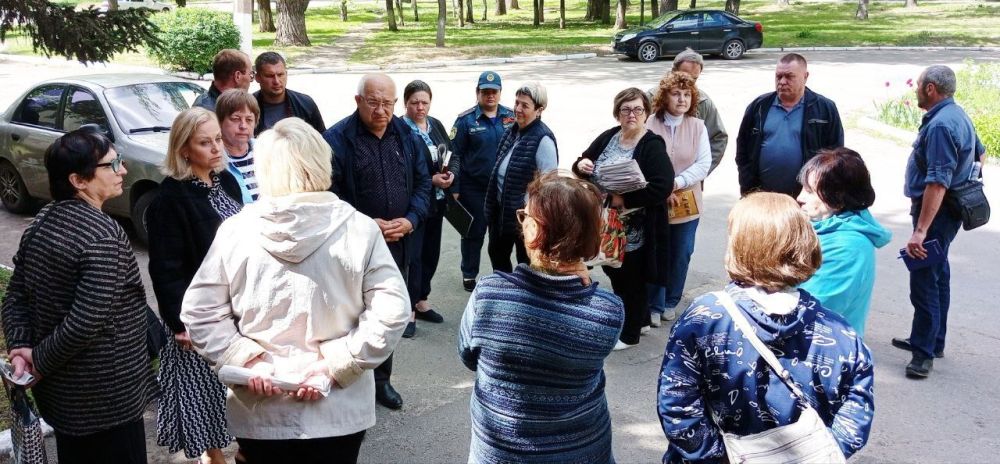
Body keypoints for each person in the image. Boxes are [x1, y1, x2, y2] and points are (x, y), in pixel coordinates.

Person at [181, 118, 410, 464]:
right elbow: (391, 312)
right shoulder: (359, 229)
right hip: (336, 409)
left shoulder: (235, 231)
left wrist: (249, 359)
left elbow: (200, 312)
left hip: (262, 407)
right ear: (321, 161)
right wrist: (336, 364)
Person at [657, 192, 875, 463]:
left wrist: (720, 458)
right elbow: (856, 418)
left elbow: (678, 406)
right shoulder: (841, 333)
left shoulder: (705, 319)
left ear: (739, 245)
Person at [1, 127, 159, 463]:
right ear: (79, 180)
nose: (123, 170)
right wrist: (37, 361)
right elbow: (86, 321)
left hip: (63, 401)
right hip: (106, 402)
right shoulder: (102, 236)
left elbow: (15, 295)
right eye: (112, 165)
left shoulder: (44, 219)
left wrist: (20, 349)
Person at [459, 171, 622, 464]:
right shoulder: (607, 310)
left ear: (533, 232)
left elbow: (469, 356)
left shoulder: (489, 295)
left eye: (525, 217)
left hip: (502, 454)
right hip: (583, 450)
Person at [322, 73, 431, 409]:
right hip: (352, 245)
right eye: (374, 102)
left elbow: (424, 185)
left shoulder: (406, 135)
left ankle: (382, 381)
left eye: (388, 103)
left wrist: (411, 219)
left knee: (385, 314)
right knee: (351, 316)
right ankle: (350, 384)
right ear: (358, 101)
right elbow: (327, 194)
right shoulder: (337, 139)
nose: (381, 110)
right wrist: (364, 224)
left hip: (397, 243)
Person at [147, 107, 244, 464]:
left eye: (218, 139)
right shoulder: (170, 200)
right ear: (184, 149)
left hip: (235, 307)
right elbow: (166, 269)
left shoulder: (225, 182)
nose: (217, 148)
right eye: (205, 143)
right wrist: (179, 323)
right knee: (204, 395)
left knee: (235, 388)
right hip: (198, 314)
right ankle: (213, 458)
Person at [893, 65, 986, 378]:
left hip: (937, 212)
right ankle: (934, 340)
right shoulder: (957, 115)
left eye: (919, 85)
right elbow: (981, 154)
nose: (916, 89)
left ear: (930, 88)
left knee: (924, 278)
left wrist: (920, 231)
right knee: (938, 272)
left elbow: (937, 183)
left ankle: (923, 354)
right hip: (947, 212)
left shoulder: (941, 125)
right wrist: (969, 178)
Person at [572, 88, 673, 351]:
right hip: (606, 224)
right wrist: (580, 165)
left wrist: (625, 200)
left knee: (631, 279)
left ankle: (629, 335)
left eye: (638, 109)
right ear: (618, 113)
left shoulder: (651, 145)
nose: (631, 115)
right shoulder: (609, 137)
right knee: (614, 270)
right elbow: (583, 161)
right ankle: (639, 321)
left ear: (646, 113)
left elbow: (662, 186)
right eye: (626, 109)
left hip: (636, 227)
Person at [798, 147, 892, 338]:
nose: (800, 197)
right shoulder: (822, 227)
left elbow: (808, 311)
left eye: (810, 191)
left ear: (838, 199)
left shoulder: (848, 248)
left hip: (821, 351)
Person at [645, 71, 711, 324]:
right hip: (654, 201)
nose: (682, 99)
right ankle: (654, 303)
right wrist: (661, 187)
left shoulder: (698, 126)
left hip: (686, 203)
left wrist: (676, 182)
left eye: (687, 94)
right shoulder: (650, 123)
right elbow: (642, 160)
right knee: (655, 251)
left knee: (681, 252)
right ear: (665, 96)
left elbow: (703, 163)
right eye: (676, 94)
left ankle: (671, 299)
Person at [735, 53, 844, 197]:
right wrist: (747, 182)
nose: (782, 81)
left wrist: (821, 190)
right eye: (778, 76)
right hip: (761, 196)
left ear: (805, 76)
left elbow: (835, 155)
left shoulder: (824, 109)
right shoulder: (759, 107)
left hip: (807, 198)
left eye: (789, 76)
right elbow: (743, 148)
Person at [450, 71, 516, 292]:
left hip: (503, 190)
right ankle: (469, 274)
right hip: (474, 188)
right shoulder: (465, 120)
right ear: (477, 93)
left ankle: (503, 276)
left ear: (499, 93)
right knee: (473, 233)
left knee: (501, 235)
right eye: (485, 92)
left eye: (494, 92)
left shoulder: (511, 117)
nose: (490, 96)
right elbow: (455, 155)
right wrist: (455, 187)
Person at [485, 82, 558, 273]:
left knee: (526, 265)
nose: (517, 109)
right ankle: (504, 294)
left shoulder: (543, 139)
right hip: (501, 215)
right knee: (497, 255)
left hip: (526, 220)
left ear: (539, 110)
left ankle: (522, 299)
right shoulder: (513, 131)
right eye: (517, 103)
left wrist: (532, 216)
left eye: (524, 105)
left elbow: (548, 187)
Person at [402, 80, 454, 332]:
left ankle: (422, 300)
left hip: (438, 202)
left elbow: (452, 155)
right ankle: (408, 309)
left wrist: (451, 175)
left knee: (431, 253)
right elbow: (400, 170)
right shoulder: (401, 130)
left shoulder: (436, 126)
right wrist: (429, 180)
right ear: (405, 103)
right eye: (415, 103)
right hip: (414, 204)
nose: (420, 107)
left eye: (424, 102)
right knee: (413, 256)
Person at [653, 48, 728, 174]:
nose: (689, 83)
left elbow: (718, 138)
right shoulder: (650, 98)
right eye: (684, 76)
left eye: (695, 79)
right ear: (673, 72)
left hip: (689, 185)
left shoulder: (703, 102)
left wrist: (699, 172)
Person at [253, 51, 325, 135]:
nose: (276, 81)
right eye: (270, 76)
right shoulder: (248, 106)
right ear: (257, 78)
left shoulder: (305, 103)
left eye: (280, 75)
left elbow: (321, 138)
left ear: (286, 74)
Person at [217, 88, 261, 204]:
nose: (243, 126)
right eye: (235, 119)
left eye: (249, 120)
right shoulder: (214, 158)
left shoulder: (266, 150)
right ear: (220, 121)